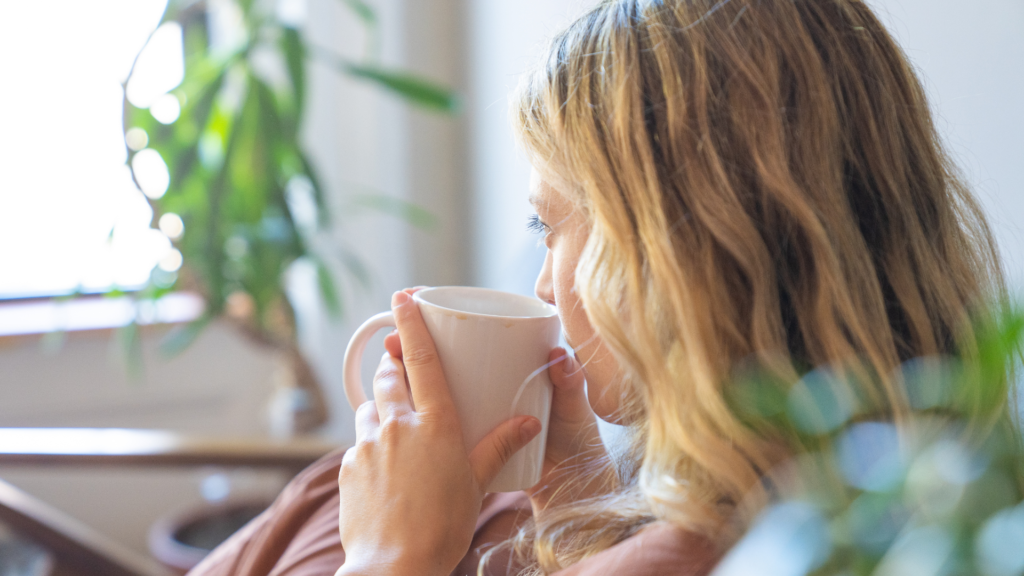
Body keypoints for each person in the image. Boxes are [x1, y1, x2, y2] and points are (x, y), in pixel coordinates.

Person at [189, 0, 1011, 574]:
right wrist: (579, 494)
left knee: (321, 505)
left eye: (552, 227)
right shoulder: (915, 497)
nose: (544, 283)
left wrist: (387, 558)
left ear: (677, 253)